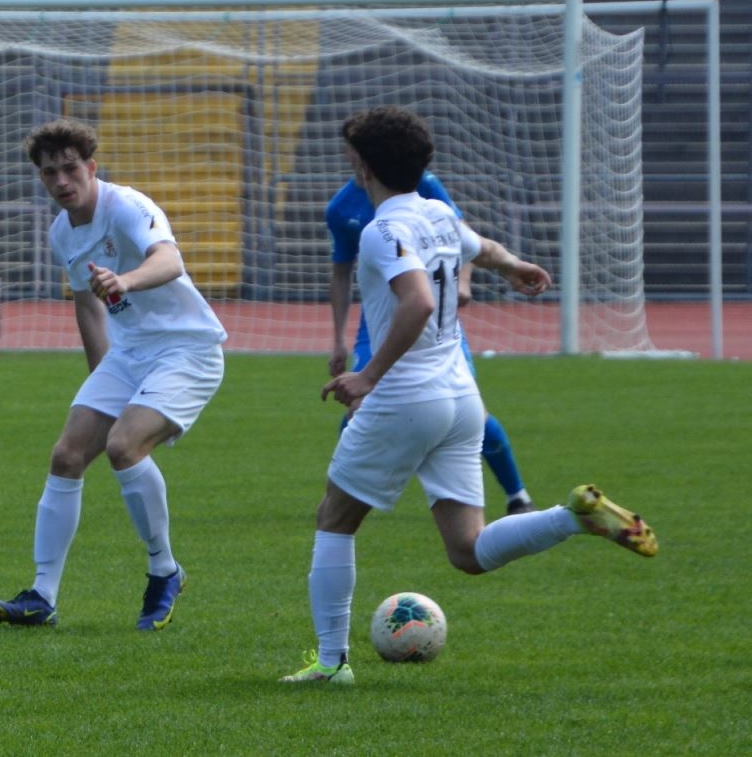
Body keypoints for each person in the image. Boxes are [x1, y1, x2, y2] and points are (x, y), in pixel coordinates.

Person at [281, 105, 657, 685]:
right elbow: (483, 248)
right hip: (460, 399)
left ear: (364, 167)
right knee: (468, 549)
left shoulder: (382, 231)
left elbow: (418, 302)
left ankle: (332, 664)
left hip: (406, 399)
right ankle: (573, 518)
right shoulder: (436, 213)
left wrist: (368, 375)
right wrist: (515, 267)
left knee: (334, 519)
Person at [0, 119, 227, 631]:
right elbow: (88, 308)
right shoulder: (61, 232)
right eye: (50, 173)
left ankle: (164, 570)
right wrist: (102, 383)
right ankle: (42, 595)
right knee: (67, 455)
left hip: (187, 349)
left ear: (91, 167)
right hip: (129, 355)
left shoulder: (127, 206)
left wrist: (126, 281)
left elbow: (170, 260)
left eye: (70, 168)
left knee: (123, 446)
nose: (61, 180)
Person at [327, 173, 535, 515]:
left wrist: (464, 282)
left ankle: (518, 496)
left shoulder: (421, 191)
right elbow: (340, 272)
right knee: (358, 409)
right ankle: (352, 494)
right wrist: (337, 339)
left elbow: (462, 241)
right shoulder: (341, 207)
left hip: (438, 323)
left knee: (474, 413)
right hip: (378, 325)